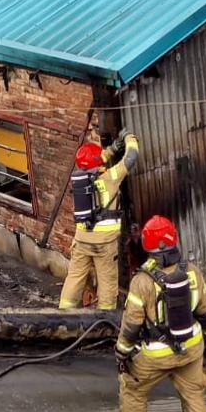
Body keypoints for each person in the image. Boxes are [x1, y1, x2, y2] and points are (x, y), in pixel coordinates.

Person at [105, 215, 206, 412]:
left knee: (132, 387)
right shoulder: (193, 272)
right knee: (193, 395)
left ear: (147, 244)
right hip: (191, 348)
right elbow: (205, 311)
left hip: (155, 355)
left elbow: (131, 324)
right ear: (174, 239)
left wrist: (122, 353)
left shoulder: (142, 281)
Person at [58, 132, 139, 310]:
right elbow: (131, 157)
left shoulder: (79, 180)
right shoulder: (109, 178)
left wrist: (112, 149)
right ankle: (104, 319)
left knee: (75, 277)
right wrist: (129, 138)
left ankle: (63, 312)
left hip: (81, 240)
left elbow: (94, 160)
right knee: (107, 282)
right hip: (104, 243)